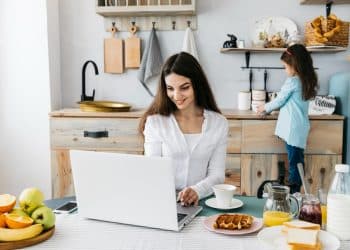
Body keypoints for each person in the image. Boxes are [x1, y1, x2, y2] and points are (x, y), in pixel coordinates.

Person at [139, 52, 228, 206]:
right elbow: (152, 172)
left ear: (197, 84)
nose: (176, 95)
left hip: (202, 203)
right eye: (170, 88)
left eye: (184, 87)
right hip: (163, 202)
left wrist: (196, 191)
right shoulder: (155, 123)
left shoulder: (218, 123)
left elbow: (217, 175)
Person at [257, 44, 318, 194]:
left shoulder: (293, 81)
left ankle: (294, 192)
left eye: (285, 67)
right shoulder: (306, 81)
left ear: (294, 66)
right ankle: (295, 189)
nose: (285, 71)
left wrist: (264, 107)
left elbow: (280, 100)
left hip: (293, 128)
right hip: (300, 126)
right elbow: (289, 103)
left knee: (294, 163)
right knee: (297, 161)